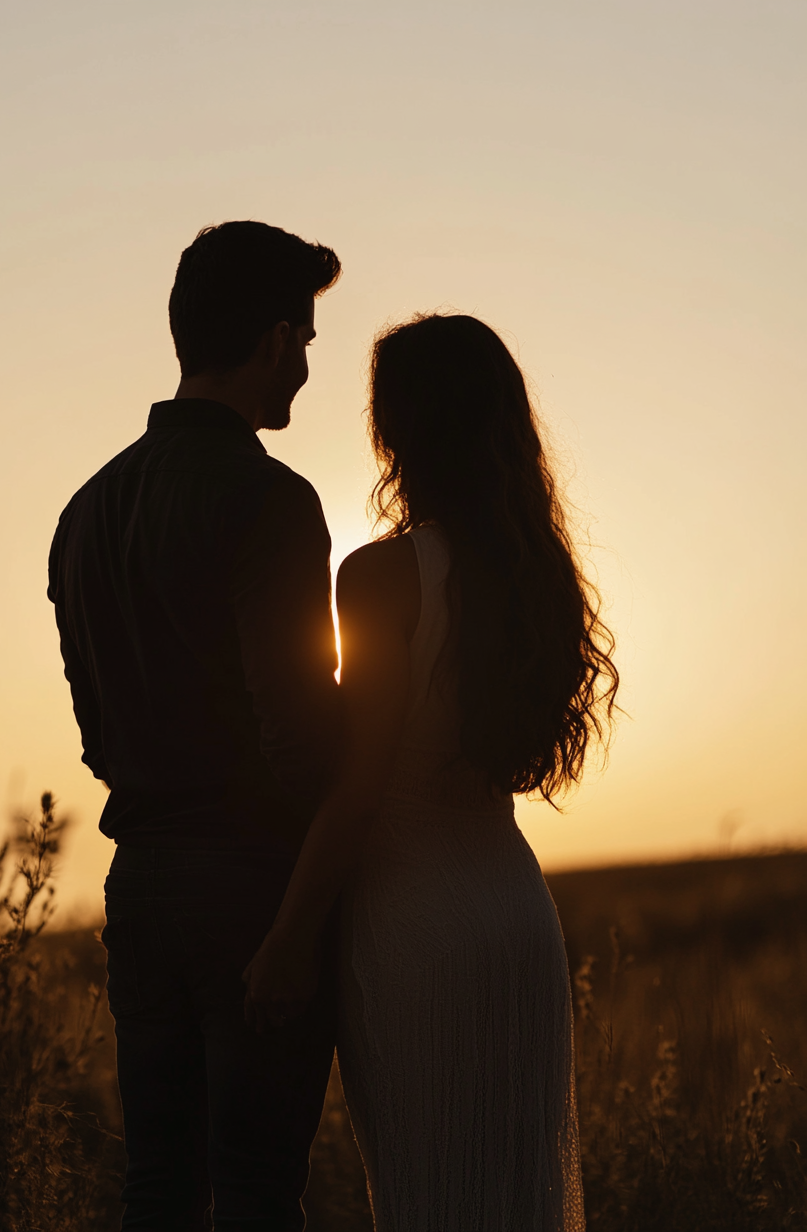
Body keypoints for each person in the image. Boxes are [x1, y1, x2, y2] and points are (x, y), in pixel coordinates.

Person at [244, 313, 619, 1231]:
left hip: (415, 935)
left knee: (426, 1203)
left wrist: (289, 936)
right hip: (516, 920)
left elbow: (362, 786)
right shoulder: (540, 575)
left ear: (396, 428)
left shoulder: (380, 577)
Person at [48, 221, 342, 1231]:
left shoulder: (84, 513)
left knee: (159, 1190)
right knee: (261, 1194)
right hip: (254, 890)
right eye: (304, 339)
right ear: (271, 340)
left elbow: (94, 735)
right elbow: (300, 733)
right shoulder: (272, 501)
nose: (306, 363)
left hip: (140, 889)